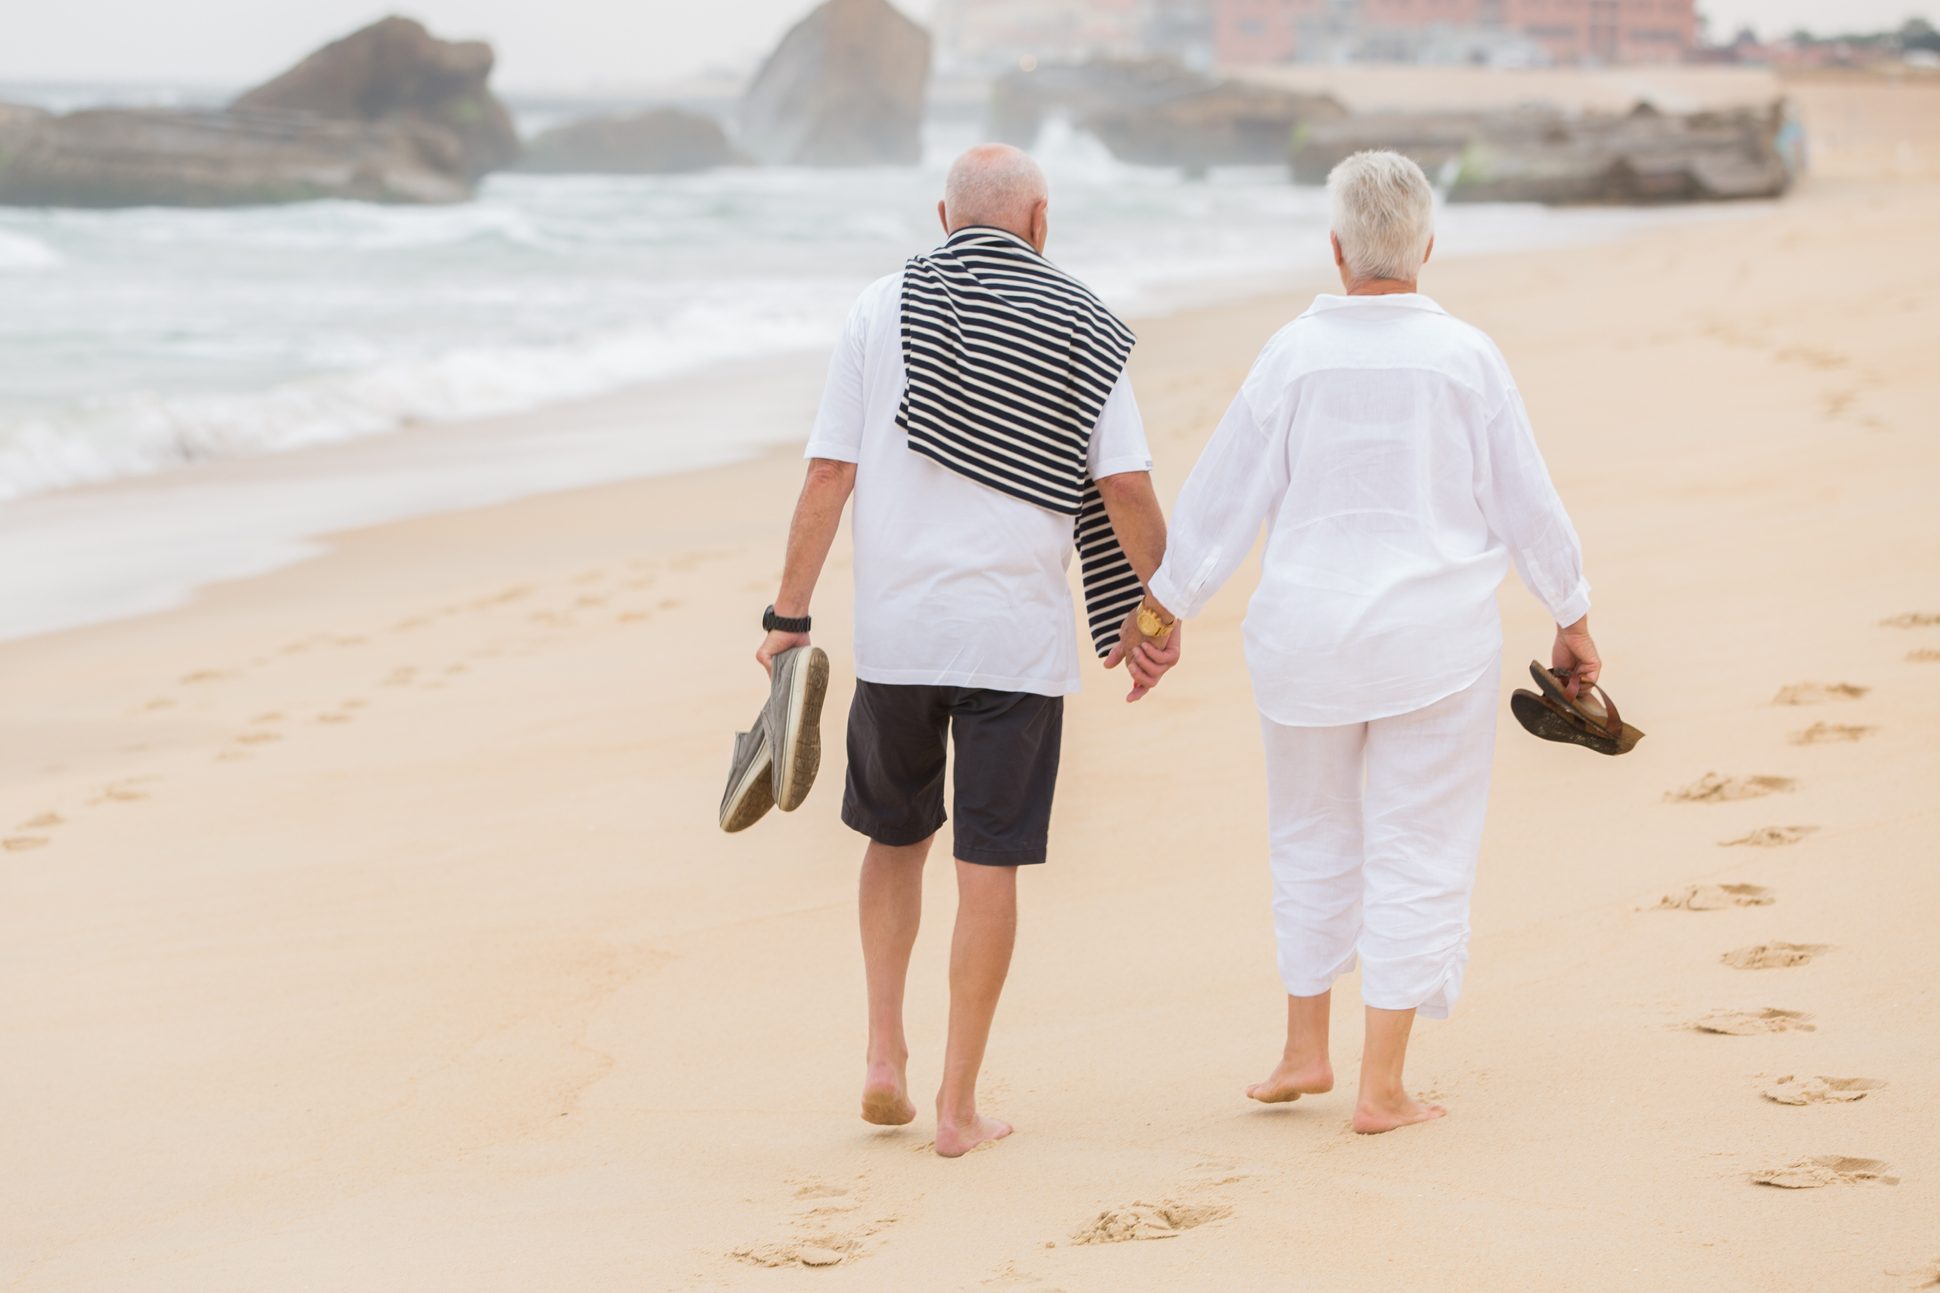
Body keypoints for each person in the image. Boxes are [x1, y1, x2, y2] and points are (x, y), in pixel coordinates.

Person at [1138, 150, 1602, 1134]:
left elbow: (1223, 496)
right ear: (1426, 247)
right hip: (1431, 645)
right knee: (1417, 843)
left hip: (1302, 642)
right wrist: (1570, 613)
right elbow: (1525, 499)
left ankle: (1302, 1048)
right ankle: (1378, 1087)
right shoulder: (1464, 357)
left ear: (1336, 248)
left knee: (1308, 833)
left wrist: (1161, 609)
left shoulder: (1291, 355)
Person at [752, 144, 1180, 1158]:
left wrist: (788, 614)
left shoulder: (877, 308)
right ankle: (955, 1107)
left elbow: (828, 471)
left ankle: (879, 1056)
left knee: (893, 840)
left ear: (944, 216)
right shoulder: (1080, 321)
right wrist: (1154, 613)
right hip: (1014, 649)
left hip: (899, 638)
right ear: (1039, 219)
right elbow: (1122, 490)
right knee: (988, 866)